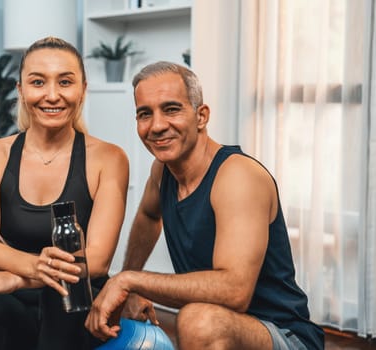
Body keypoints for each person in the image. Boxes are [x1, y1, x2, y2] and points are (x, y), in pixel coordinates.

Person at [85, 62, 324, 350]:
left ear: (201, 116)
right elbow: (149, 216)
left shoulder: (238, 177)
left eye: (171, 109)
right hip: (226, 331)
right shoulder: (163, 172)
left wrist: (129, 281)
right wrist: (130, 291)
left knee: (199, 320)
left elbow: (235, 291)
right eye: (145, 114)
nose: (157, 126)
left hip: (284, 336)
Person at [0, 37, 129, 350]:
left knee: (58, 303)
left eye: (65, 82)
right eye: (38, 82)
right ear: (20, 89)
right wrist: (29, 273)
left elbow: (98, 261)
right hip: (13, 297)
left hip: (78, 297)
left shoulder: (108, 158)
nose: (52, 95)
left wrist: (12, 278)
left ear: (83, 89)